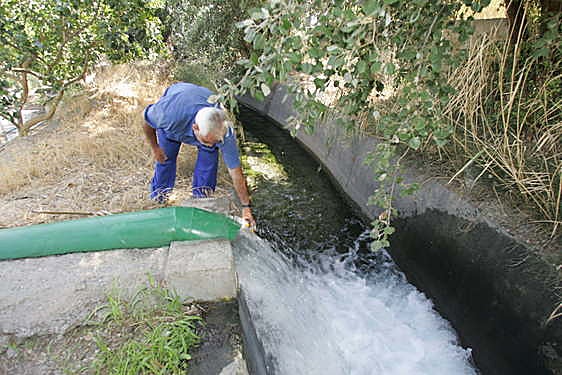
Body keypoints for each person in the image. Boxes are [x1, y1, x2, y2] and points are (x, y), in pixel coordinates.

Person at [142, 82, 255, 227]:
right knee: (165, 160)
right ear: (195, 128)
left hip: (202, 112)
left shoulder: (224, 131)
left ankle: (201, 203)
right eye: (208, 141)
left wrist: (246, 207)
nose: (212, 145)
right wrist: (155, 148)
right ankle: (159, 199)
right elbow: (146, 120)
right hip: (176, 119)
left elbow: (235, 172)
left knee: (208, 161)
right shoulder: (168, 115)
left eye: (215, 142)